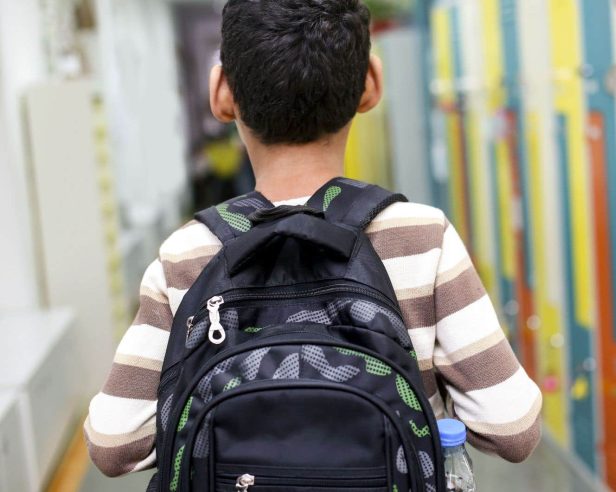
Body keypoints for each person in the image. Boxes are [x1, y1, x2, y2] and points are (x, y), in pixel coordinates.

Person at [84, 0, 542, 478]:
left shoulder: (188, 254)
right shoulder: (422, 238)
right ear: (371, 84)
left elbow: (114, 444)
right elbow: (511, 427)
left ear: (221, 93)